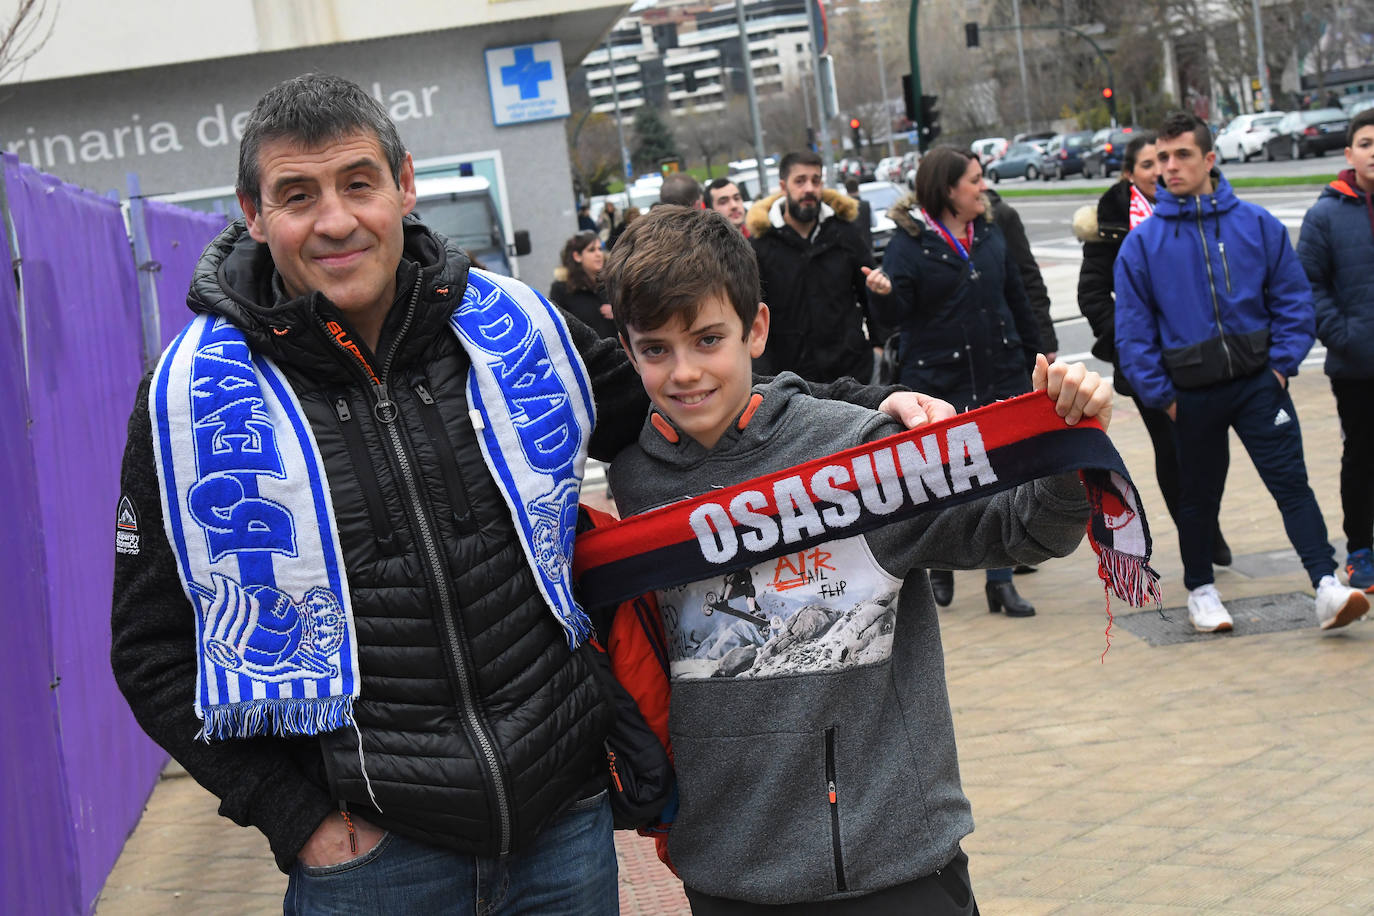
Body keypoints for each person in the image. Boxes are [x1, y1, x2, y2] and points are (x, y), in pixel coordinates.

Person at [108, 72, 954, 915]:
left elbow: (691, 390)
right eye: (298, 194)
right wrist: (300, 822)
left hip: (563, 837)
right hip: (370, 864)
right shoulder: (190, 400)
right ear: (253, 214)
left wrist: (858, 409)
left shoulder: (515, 327)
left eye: (358, 183)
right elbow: (150, 651)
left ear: (404, 185)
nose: (335, 220)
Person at [602, 204, 1110, 913]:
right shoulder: (634, 483)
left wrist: (1066, 450)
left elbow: (1019, 532)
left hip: (893, 865)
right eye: (655, 349)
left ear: (756, 330)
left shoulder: (856, 451)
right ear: (626, 352)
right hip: (726, 872)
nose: (684, 372)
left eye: (708, 340)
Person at [1114, 110, 1369, 633]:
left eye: (1182, 154)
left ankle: (1325, 585)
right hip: (1191, 395)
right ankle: (1201, 591)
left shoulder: (1256, 225)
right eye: (1162, 158)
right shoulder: (1142, 245)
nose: (1170, 166)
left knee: (1292, 485)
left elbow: (1295, 301)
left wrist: (1279, 369)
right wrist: (1166, 398)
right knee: (1198, 498)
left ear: (1210, 158)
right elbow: (1134, 334)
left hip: (1260, 385)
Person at [875, 146, 1042, 616]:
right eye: (973, 179)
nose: (982, 186)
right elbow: (893, 317)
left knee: (1004, 476)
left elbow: (1016, 297)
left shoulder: (988, 231)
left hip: (999, 371)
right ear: (949, 190)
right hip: (938, 379)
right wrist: (885, 295)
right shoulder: (908, 244)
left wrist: (1038, 353)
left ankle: (1001, 583)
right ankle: (941, 569)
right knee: (943, 480)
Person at [1075, 131, 1232, 567]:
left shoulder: (1189, 207)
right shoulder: (1113, 220)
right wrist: (1127, 342)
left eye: (1161, 162)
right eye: (1146, 165)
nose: (1158, 171)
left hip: (1201, 355)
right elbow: (1092, 294)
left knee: (1211, 445)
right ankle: (1194, 533)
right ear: (1129, 174)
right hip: (1146, 362)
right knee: (1172, 448)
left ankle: (1207, 520)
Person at [1297, 107, 1374, 591]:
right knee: (1362, 457)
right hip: (1355, 366)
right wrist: (1344, 335)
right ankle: (1361, 550)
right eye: (1366, 143)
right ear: (1349, 154)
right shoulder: (1325, 213)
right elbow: (1308, 286)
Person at [746, 150, 892, 384]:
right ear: (783, 187)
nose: (809, 189)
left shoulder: (844, 233)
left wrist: (878, 346)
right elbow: (754, 314)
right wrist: (766, 379)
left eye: (815, 180)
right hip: (793, 381)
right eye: (800, 181)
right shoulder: (761, 245)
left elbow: (869, 292)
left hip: (854, 372)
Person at [985, 188, 1057, 361]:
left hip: (1008, 352)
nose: (982, 186)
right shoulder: (922, 233)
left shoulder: (1000, 217)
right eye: (974, 179)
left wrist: (1046, 341)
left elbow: (1029, 279)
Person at [550, 230, 615, 338]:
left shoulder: (612, 281)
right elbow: (557, 327)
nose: (599, 254)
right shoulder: (561, 288)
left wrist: (619, 313)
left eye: (600, 249)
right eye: (591, 250)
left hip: (617, 351)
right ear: (577, 256)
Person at [843, 176, 873, 256]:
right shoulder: (866, 205)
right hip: (866, 245)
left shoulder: (843, 207)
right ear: (858, 188)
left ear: (846, 190)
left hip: (849, 247)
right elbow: (874, 223)